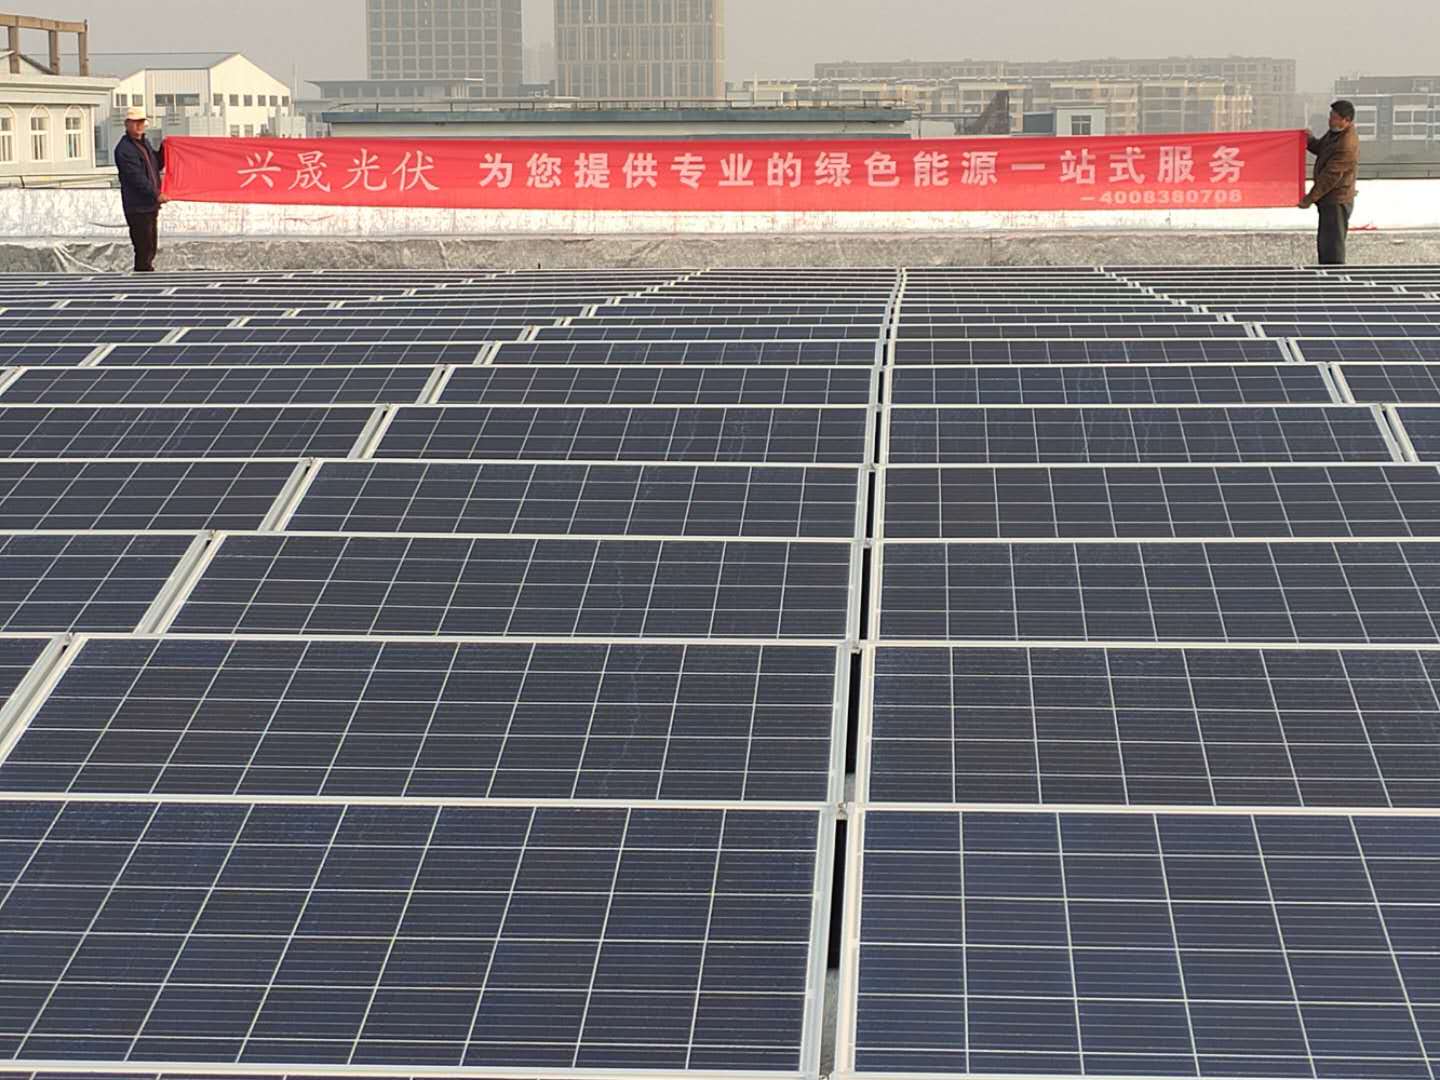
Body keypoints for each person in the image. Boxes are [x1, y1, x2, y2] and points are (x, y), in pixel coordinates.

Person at [1300, 100, 1360, 266]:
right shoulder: (1335, 134)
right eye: (1330, 116)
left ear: (1346, 120)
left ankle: (1334, 276)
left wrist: (1309, 198)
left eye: (1334, 117)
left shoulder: (1346, 144)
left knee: (1333, 244)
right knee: (1326, 241)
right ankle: (1326, 271)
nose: (1330, 120)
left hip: (1337, 200)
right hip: (1328, 199)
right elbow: (1321, 148)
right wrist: (1308, 139)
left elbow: (1330, 177)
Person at [113, 106, 168, 272]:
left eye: (141, 122)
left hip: (148, 206)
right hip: (137, 207)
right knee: (144, 248)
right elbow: (136, 178)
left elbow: (156, 164)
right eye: (135, 122)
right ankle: (143, 278)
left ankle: (145, 276)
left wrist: (166, 148)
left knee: (150, 247)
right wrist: (156, 194)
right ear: (127, 124)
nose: (139, 125)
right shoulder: (125, 149)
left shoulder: (144, 144)